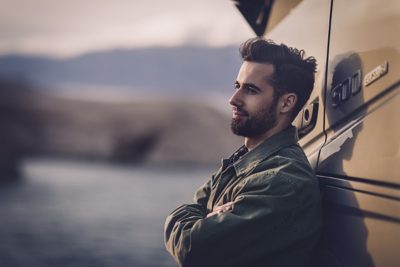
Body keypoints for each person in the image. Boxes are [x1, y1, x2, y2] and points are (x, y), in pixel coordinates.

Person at [164, 37, 322, 267]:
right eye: (237, 86)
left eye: (251, 90)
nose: (233, 99)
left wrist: (194, 218)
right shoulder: (246, 160)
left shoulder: (282, 180)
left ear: (286, 103)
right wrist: (201, 217)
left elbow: (193, 247)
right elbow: (197, 207)